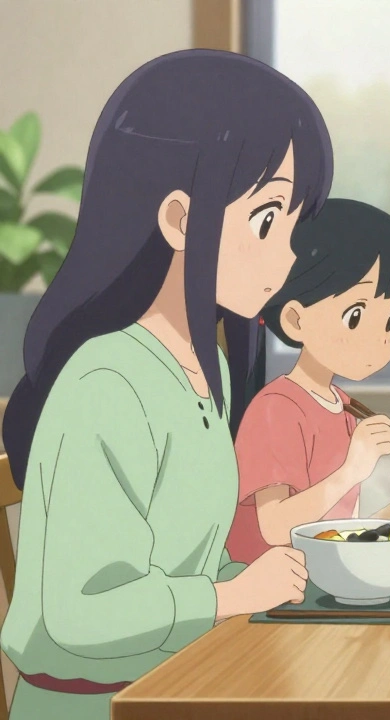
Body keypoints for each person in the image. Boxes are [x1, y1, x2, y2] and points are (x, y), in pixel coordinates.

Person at [0, 50, 333, 719]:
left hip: (184, 684)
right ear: (180, 218)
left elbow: (186, 572)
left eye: (296, 226)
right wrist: (234, 595)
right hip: (101, 707)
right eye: (268, 220)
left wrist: (285, 581)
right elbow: (79, 612)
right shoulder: (105, 383)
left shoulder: (204, 373)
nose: (289, 256)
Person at [227, 199, 390, 562]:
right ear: (295, 319)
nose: (379, 339)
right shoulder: (277, 409)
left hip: (325, 570)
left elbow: (338, 521)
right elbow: (273, 528)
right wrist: (353, 468)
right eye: (355, 315)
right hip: (272, 587)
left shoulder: (343, 405)